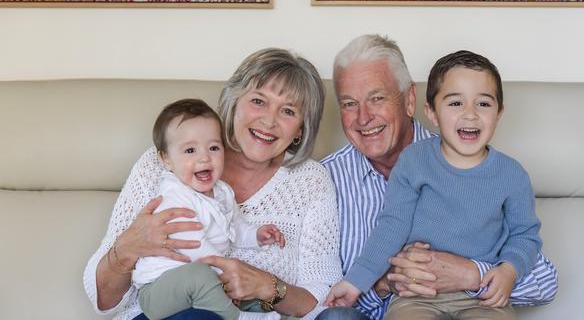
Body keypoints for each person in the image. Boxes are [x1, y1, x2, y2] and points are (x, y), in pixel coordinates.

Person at [83, 48, 342, 320]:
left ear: (301, 128)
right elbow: (102, 300)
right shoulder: (163, 163)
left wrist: (268, 286)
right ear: (234, 102)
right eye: (258, 101)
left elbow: (324, 299)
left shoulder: (311, 181)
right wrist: (125, 252)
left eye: (288, 111)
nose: (269, 121)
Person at [318, 35, 558, 320]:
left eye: (377, 98)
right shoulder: (326, 179)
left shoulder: (511, 174)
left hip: (480, 301)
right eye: (348, 104)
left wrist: (488, 272)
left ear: (410, 101)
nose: (363, 117)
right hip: (412, 300)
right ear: (432, 111)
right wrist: (368, 282)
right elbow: (391, 226)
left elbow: (529, 247)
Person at [134, 98, 286, 320]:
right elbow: (196, 249)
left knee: (232, 285)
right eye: (190, 150)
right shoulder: (174, 195)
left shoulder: (222, 192)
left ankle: (251, 308)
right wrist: (227, 272)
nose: (204, 157)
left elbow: (235, 227)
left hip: (199, 290)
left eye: (213, 148)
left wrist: (256, 235)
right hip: (158, 289)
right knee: (202, 273)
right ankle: (238, 317)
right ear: (166, 159)